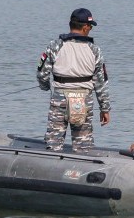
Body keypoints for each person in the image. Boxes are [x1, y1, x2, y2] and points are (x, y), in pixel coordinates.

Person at [37, 8, 111, 152]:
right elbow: (101, 83)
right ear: (84, 27)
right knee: (82, 144)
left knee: (53, 142)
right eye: (90, 26)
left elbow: (42, 73)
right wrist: (105, 108)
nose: (90, 29)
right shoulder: (95, 50)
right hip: (84, 100)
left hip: (60, 99)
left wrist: (45, 86)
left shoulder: (55, 45)